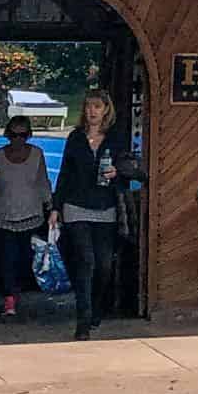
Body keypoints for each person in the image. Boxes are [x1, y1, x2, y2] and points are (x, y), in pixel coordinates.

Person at [53, 91, 135, 339]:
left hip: (105, 207)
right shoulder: (75, 138)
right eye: (89, 106)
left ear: (106, 110)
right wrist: (56, 208)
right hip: (76, 206)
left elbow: (131, 172)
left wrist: (117, 174)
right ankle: (83, 319)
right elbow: (64, 174)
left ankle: (97, 307)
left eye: (97, 107)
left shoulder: (116, 139)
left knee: (104, 266)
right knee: (85, 261)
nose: (92, 111)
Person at [0, 114, 54, 321]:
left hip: (31, 214)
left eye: (22, 135)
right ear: (7, 135)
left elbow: (43, 181)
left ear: (28, 135)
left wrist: (51, 206)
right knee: (6, 259)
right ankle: (9, 298)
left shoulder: (37, 154)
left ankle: (17, 292)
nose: (18, 139)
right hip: (2, 215)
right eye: (13, 135)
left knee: (24, 258)